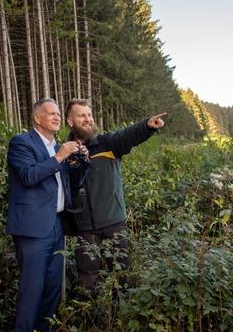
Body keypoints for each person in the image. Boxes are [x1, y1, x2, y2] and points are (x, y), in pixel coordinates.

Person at [6, 98, 86, 332]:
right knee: (32, 289)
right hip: (32, 229)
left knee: (52, 288)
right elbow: (28, 176)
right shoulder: (21, 143)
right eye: (50, 113)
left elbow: (69, 184)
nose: (56, 117)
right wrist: (61, 156)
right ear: (37, 118)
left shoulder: (56, 147)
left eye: (57, 114)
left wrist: (79, 164)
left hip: (56, 225)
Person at [64, 98, 166, 297]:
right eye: (82, 115)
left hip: (113, 223)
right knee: (87, 280)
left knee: (121, 277)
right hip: (84, 227)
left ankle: (120, 319)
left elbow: (128, 135)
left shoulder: (108, 143)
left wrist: (146, 126)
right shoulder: (65, 152)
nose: (88, 119)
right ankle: (92, 321)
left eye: (89, 115)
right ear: (70, 121)